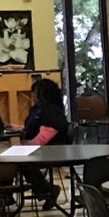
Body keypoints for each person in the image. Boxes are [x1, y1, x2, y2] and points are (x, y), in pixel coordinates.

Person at [19, 76, 72, 208]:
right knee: (13, 157)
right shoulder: (38, 109)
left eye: (34, 93)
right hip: (40, 148)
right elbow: (32, 128)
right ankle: (44, 190)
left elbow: (43, 138)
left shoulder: (51, 112)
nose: (32, 96)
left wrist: (24, 147)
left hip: (51, 150)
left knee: (20, 161)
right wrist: (15, 128)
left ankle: (47, 190)